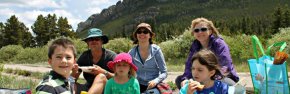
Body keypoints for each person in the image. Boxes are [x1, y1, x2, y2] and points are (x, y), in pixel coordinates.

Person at [175, 17, 239, 89]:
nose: (200, 32)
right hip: (202, 76)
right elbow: (189, 65)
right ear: (194, 33)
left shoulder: (219, 44)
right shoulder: (195, 45)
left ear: (210, 31)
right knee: (180, 80)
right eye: (196, 30)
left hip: (222, 77)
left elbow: (225, 66)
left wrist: (212, 80)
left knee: (224, 84)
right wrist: (186, 78)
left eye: (203, 29)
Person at [71, 28, 116, 94]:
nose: (94, 41)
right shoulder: (84, 56)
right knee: (71, 85)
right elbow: (73, 79)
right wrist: (74, 71)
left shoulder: (111, 56)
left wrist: (103, 72)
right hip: (89, 88)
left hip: (108, 89)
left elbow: (122, 77)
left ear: (102, 41)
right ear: (88, 42)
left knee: (101, 76)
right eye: (91, 39)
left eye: (97, 39)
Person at [129, 23, 168, 93]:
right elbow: (128, 71)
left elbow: (164, 72)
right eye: (139, 32)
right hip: (137, 84)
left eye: (145, 32)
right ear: (136, 35)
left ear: (150, 35)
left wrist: (155, 81)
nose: (142, 34)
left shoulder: (156, 50)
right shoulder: (131, 52)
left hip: (154, 84)